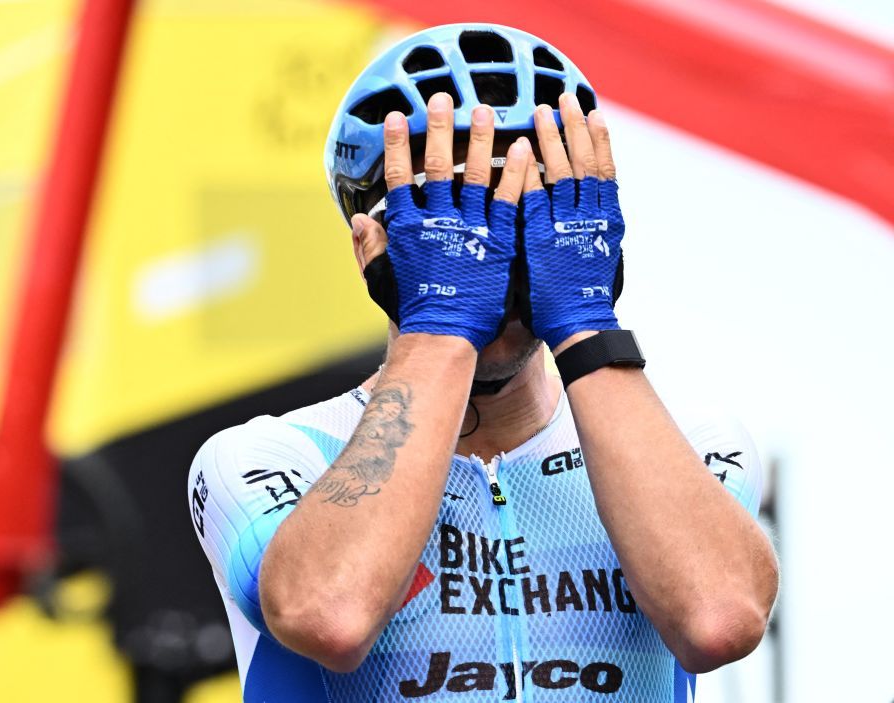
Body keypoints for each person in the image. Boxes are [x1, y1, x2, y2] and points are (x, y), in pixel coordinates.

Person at [187, 23, 778, 702]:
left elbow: (720, 619)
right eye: (450, 224)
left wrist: (586, 321)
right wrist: (441, 320)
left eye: (521, 217)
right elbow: (331, 612)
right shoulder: (266, 455)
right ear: (368, 246)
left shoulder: (698, 442)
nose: (491, 256)